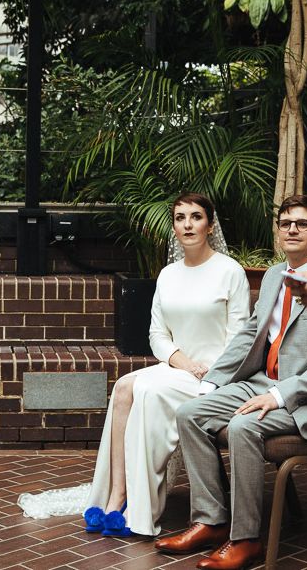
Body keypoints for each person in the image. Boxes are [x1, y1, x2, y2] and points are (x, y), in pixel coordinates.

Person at [156, 194, 307, 570]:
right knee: (190, 413)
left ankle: (246, 539)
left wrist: (281, 396)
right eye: (285, 223)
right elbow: (250, 335)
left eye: (302, 223)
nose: (292, 229)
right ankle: (211, 521)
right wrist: (212, 383)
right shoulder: (275, 276)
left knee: (244, 425)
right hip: (264, 381)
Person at [81, 192, 250, 537]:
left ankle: (142, 511)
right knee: (124, 386)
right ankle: (117, 496)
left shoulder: (229, 272)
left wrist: (205, 370)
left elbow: (240, 337)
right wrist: (181, 361)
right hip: (177, 367)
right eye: (180, 218)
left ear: (210, 224)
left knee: (143, 389)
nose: (188, 224)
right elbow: (157, 334)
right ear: (174, 227)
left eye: (196, 216)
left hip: (216, 375)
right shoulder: (168, 274)